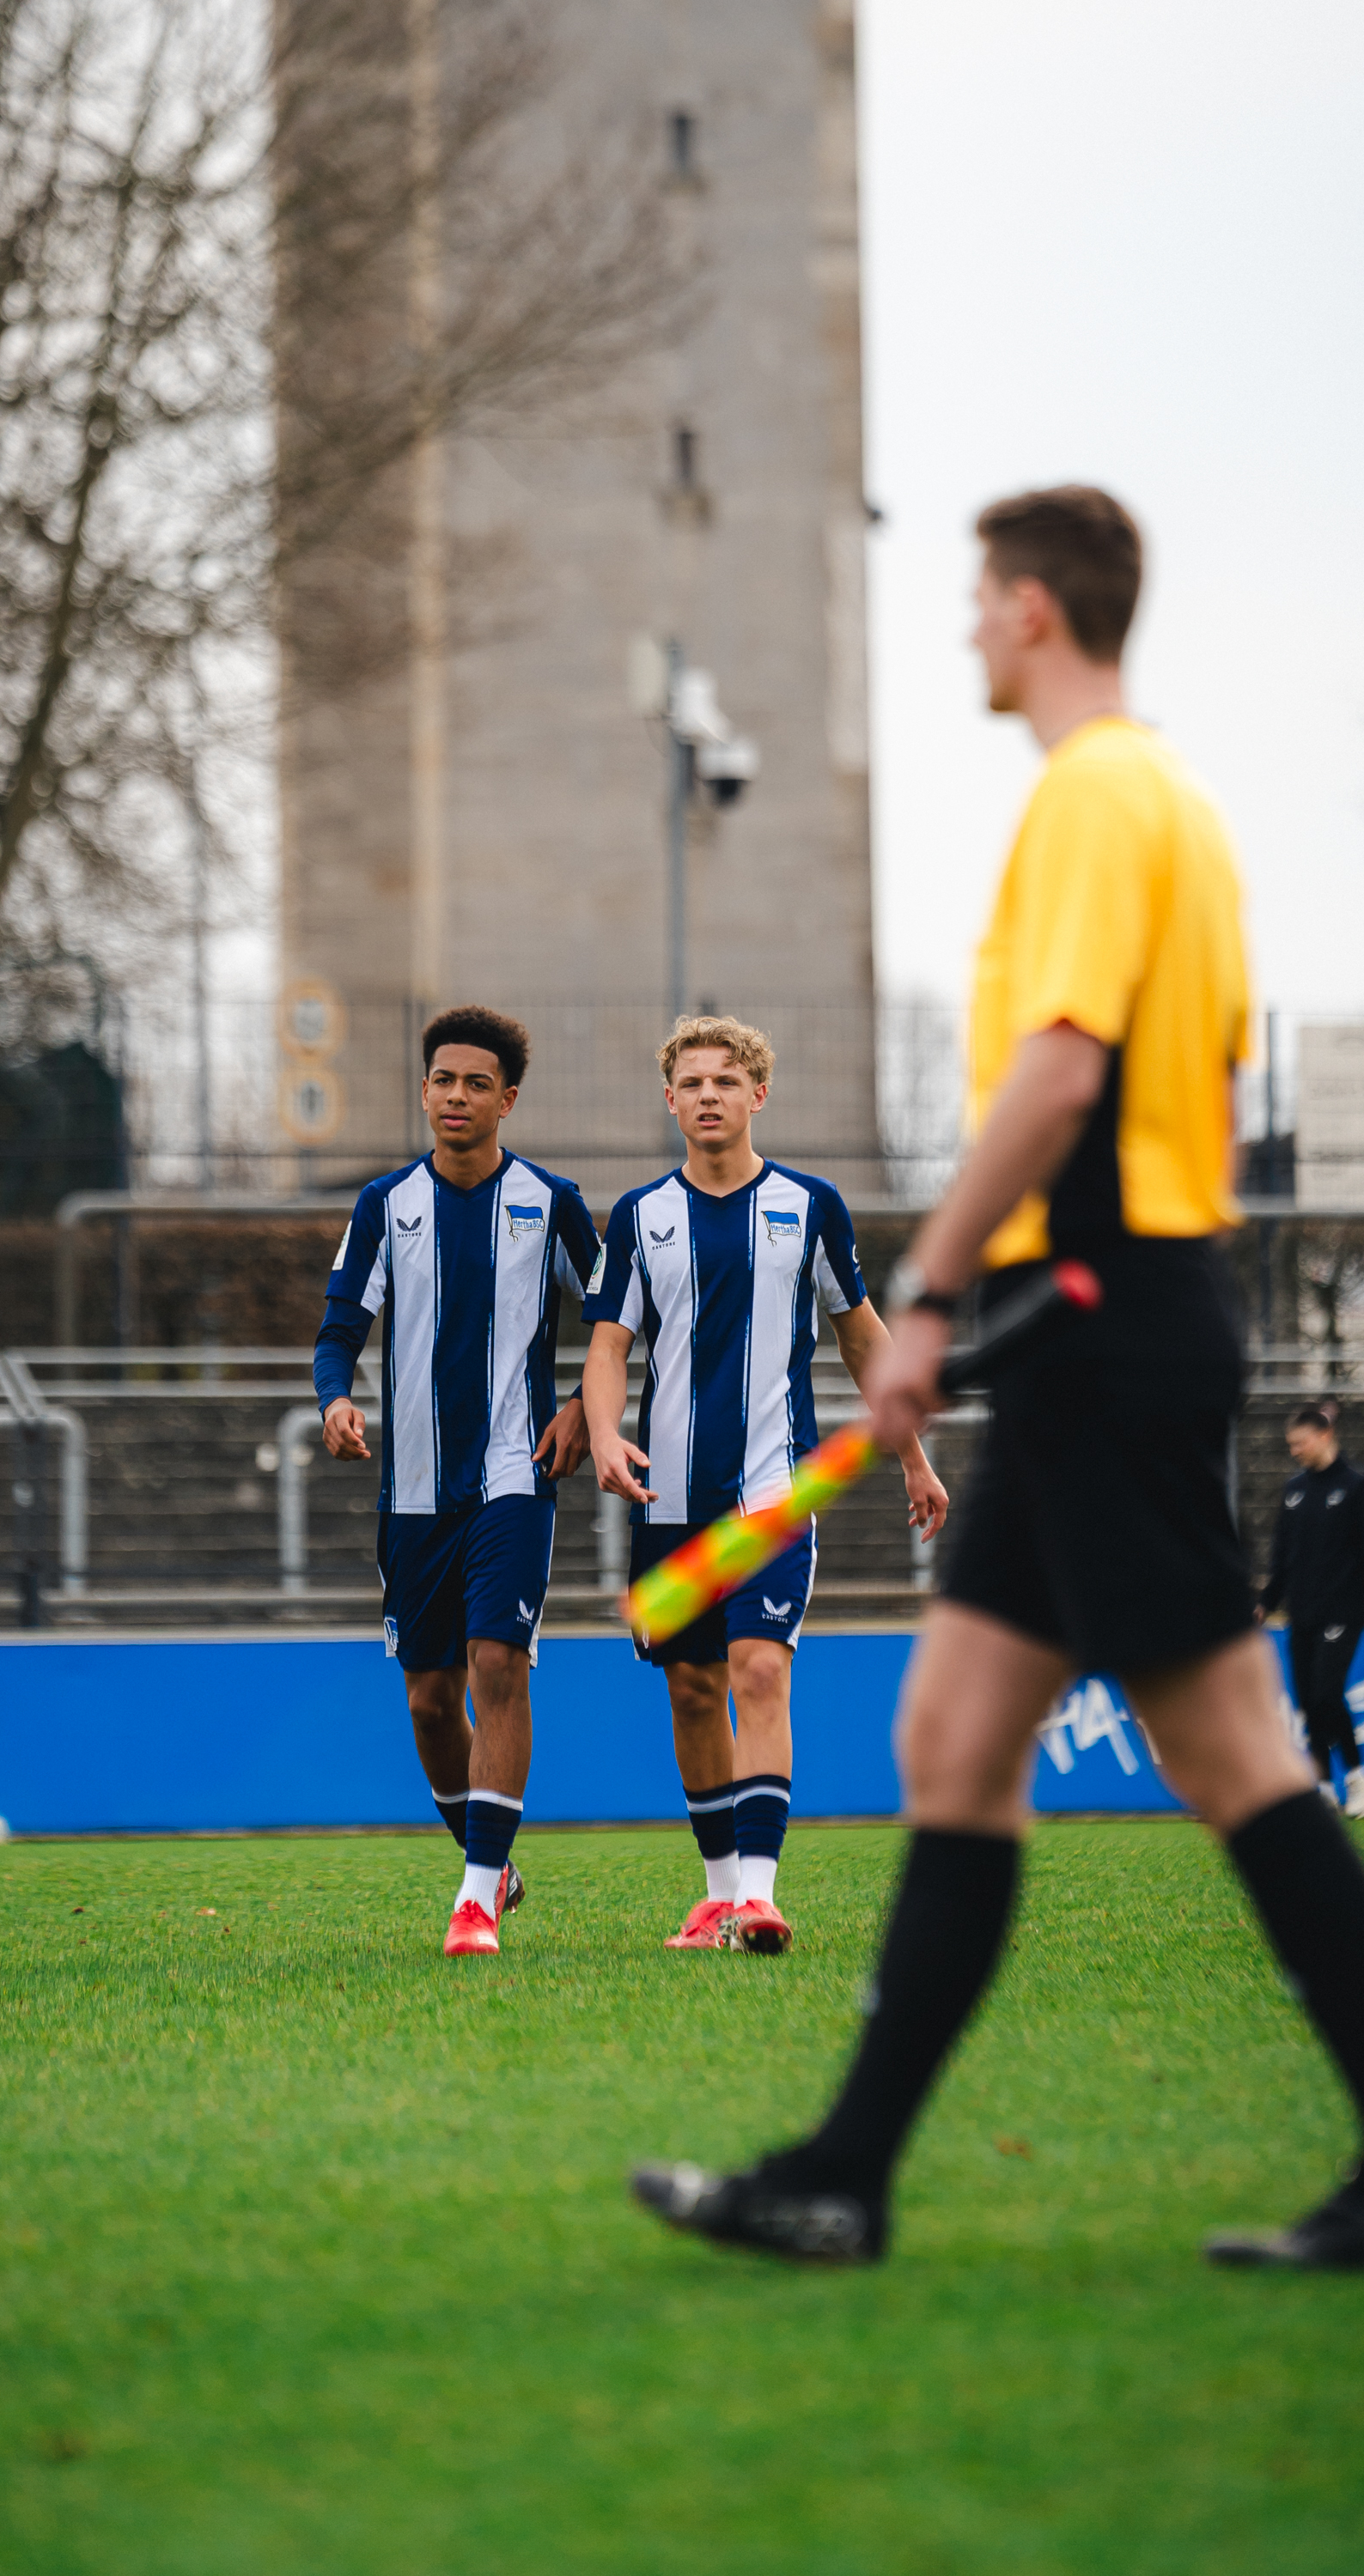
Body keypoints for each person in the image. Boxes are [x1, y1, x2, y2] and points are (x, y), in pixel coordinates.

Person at [632, 483, 1364, 2271]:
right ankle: (842, 2177)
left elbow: (1056, 1074)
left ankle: (844, 2172)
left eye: (975, 597)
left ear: (1035, 609)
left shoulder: (1099, 797)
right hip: (1086, 1330)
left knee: (1237, 1760)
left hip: (1103, 1323)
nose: (962, 624)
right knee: (951, 1742)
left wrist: (933, 1291)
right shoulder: (1151, 798)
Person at [582, 1014, 947, 1954]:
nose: (708, 1096)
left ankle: (758, 1895)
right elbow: (609, 1347)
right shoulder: (637, 1217)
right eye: (691, 1083)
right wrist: (603, 1434)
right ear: (669, 1101)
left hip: (773, 1494)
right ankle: (713, 1897)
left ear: (757, 1094)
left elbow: (861, 1333)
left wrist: (910, 1454)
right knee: (693, 1691)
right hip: (667, 1500)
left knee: (757, 1671)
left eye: (725, 1081)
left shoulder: (810, 1204)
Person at [314, 1005, 600, 1957]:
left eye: (478, 1083)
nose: (457, 1096)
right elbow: (337, 1331)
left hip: (515, 1477)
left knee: (495, 1667)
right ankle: (492, 1865)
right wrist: (334, 1401)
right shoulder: (384, 1206)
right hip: (409, 1496)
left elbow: (616, 1323)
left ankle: (474, 1899)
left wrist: (580, 1411)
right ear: (424, 1089)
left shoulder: (550, 1201)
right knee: (429, 1700)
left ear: (506, 1100)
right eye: (443, 1080)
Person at [1259, 1402, 1364, 1818]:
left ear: (1323, 1437)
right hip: (1302, 1612)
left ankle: (1356, 1777)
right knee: (1307, 1701)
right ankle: (1321, 1786)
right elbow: (1282, 1555)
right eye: (1291, 1445)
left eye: (1300, 1443)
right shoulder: (1294, 1491)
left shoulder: (1355, 1488)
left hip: (1343, 1612)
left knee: (1326, 1692)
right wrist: (1265, 1603)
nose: (1295, 1451)